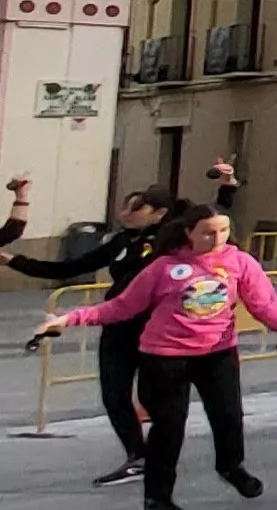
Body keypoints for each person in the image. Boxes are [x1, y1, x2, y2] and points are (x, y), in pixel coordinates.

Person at [33, 199, 277, 510]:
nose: (217, 239)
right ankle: (157, 500)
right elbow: (121, 306)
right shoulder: (163, 267)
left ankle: (231, 467)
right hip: (164, 357)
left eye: (223, 231)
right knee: (169, 427)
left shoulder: (239, 262)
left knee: (229, 416)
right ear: (189, 232)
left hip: (217, 353)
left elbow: (263, 303)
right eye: (208, 233)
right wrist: (68, 319)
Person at [8, 190, 169, 485]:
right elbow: (71, 267)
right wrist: (13, 261)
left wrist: (227, 189)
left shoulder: (171, 242)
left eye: (136, 208)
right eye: (124, 206)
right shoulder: (121, 241)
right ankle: (137, 457)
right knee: (114, 393)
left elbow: (214, 220)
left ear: (159, 213)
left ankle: (161, 458)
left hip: (156, 326)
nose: (126, 213)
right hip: (118, 323)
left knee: (155, 395)